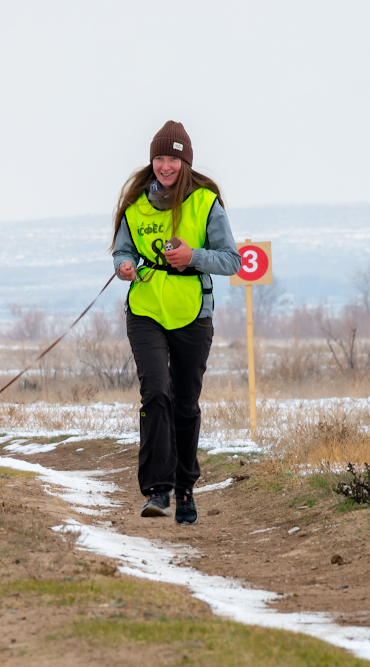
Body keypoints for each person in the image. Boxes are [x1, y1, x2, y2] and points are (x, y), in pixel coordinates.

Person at [112, 121, 241, 525]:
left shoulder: (205, 203)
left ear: (185, 162)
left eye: (173, 158)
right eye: (159, 158)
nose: (165, 165)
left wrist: (193, 258)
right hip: (146, 311)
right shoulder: (135, 206)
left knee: (185, 404)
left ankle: (185, 488)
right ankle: (158, 490)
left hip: (193, 316)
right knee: (156, 394)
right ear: (152, 161)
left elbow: (231, 260)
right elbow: (120, 251)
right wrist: (125, 266)